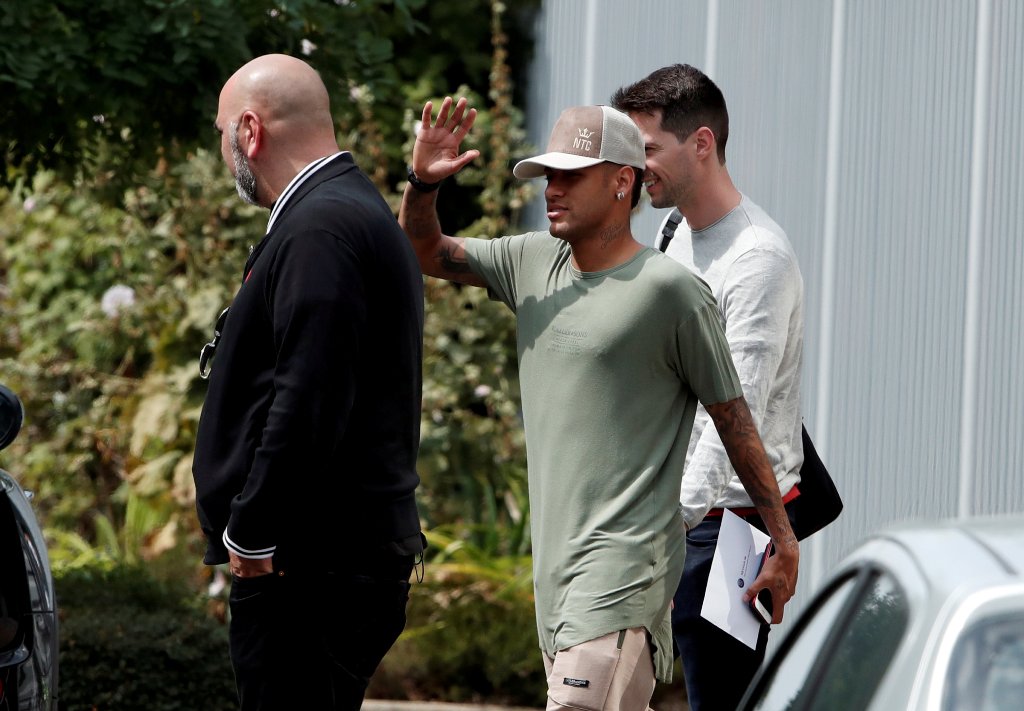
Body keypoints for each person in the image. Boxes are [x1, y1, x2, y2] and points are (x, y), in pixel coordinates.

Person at [399, 97, 799, 710]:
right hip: (554, 581)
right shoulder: (529, 261)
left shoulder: (672, 293)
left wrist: (783, 538)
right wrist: (423, 183)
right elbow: (424, 251)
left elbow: (734, 420)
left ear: (621, 181)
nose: (552, 190)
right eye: (548, 176)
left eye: (571, 176)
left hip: (624, 573)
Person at [192, 54, 425, 711]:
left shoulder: (323, 226)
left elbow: (309, 393)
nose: (222, 151)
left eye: (220, 134)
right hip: (323, 560)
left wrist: (254, 533)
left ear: (250, 131)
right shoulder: (340, 212)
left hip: (309, 569)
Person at [612, 64, 806, 710]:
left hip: (730, 527)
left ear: (701, 143)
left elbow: (734, 416)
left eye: (648, 151)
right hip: (679, 514)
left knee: (719, 698)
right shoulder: (677, 236)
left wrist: (667, 535)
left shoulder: (757, 259)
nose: (640, 171)